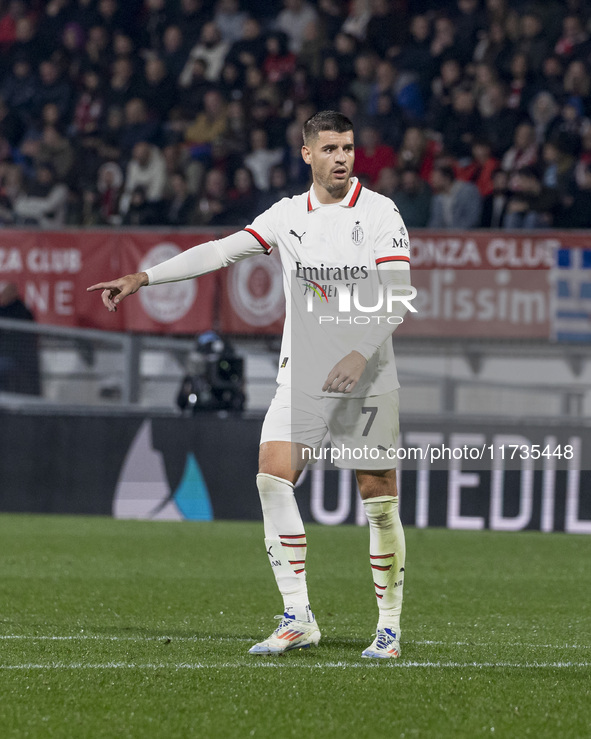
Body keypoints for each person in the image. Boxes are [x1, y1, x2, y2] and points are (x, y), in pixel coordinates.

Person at [88, 111, 412, 659]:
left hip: (368, 375)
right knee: (271, 476)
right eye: (330, 148)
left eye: (349, 148)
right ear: (306, 153)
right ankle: (297, 617)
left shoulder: (380, 212)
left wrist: (359, 354)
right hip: (304, 372)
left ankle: (389, 627)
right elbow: (220, 251)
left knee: (378, 499)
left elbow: (397, 296)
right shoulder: (288, 216)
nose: (342, 158)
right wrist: (145, 277)